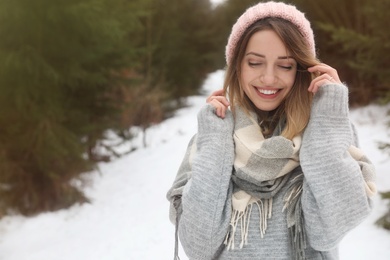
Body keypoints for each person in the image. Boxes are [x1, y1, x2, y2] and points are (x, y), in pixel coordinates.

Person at [166, 1, 376, 259]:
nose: (268, 78)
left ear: (301, 69)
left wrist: (327, 118)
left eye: (285, 65)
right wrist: (215, 140)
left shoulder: (326, 130)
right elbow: (200, 246)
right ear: (237, 66)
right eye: (255, 63)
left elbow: (328, 230)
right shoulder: (213, 137)